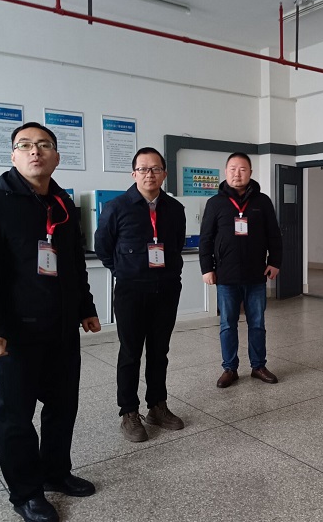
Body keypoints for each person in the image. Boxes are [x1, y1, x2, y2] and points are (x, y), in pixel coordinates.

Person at [0, 122, 101, 522]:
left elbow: (74, 264)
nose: (34, 151)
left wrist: (86, 307)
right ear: (13, 156)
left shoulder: (62, 204)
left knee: (62, 406)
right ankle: (25, 493)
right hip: (16, 334)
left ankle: (55, 472)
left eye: (43, 145)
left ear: (57, 157)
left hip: (61, 329)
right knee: (16, 416)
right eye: (24, 145)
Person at [95, 147, 186, 443]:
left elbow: (177, 244)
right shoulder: (116, 207)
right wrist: (125, 271)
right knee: (130, 352)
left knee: (160, 352)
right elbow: (103, 248)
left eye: (156, 169)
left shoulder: (175, 209)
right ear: (133, 174)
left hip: (166, 290)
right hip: (131, 292)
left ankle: (157, 406)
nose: (150, 174)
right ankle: (129, 412)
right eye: (143, 169)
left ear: (164, 174)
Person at [199, 152, 283, 388]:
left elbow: (274, 235)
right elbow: (206, 238)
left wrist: (275, 262)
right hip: (226, 276)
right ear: (226, 172)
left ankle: (258, 366)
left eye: (243, 169)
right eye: (233, 169)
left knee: (257, 323)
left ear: (250, 173)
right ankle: (230, 368)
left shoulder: (262, 202)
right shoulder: (215, 203)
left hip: (256, 275)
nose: (237, 173)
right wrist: (207, 268)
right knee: (228, 324)